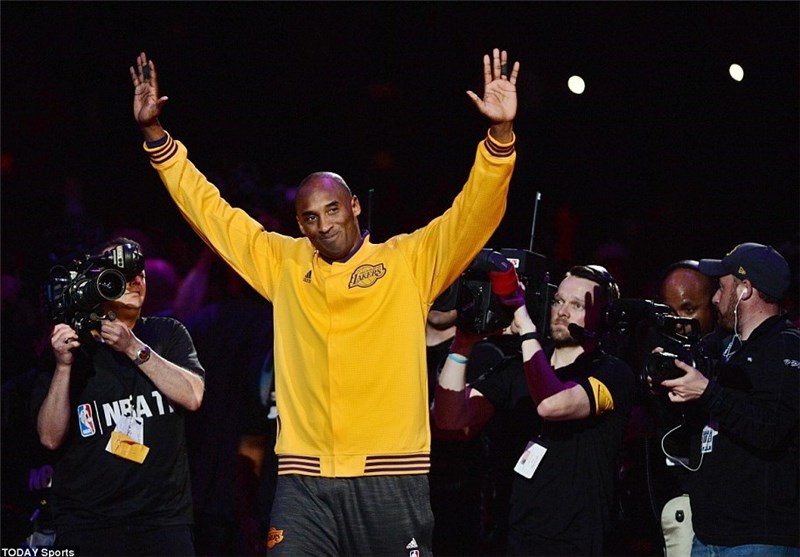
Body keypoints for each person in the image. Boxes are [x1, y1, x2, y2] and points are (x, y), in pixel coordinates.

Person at [130, 48, 520, 555]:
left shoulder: (408, 261)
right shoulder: (284, 264)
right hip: (303, 482)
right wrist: (157, 138)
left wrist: (500, 138)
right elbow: (213, 215)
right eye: (311, 217)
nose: (325, 224)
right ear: (300, 225)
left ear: (354, 206)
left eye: (333, 209)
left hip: (389, 476)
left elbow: (474, 212)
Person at [434, 264, 636, 555]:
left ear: (603, 317)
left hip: (575, 545)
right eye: (558, 301)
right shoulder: (517, 368)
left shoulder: (613, 373)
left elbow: (551, 404)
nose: (562, 312)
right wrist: (462, 344)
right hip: (509, 539)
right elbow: (450, 422)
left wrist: (526, 326)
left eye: (577, 305)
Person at [31, 237, 206, 556]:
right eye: (122, 274)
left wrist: (132, 347)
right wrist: (63, 367)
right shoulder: (71, 349)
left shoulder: (167, 334)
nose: (136, 280)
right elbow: (49, 438)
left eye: (140, 273)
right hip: (87, 524)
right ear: (98, 283)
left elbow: (192, 396)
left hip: (162, 522)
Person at [657, 242, 799, 555]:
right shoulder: (722, 347)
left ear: (745, 290)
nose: (715, 298)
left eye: (722, 288)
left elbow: (770, 427)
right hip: (707, 535)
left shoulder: (785, 347)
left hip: (757, 539)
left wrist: (707, 392)